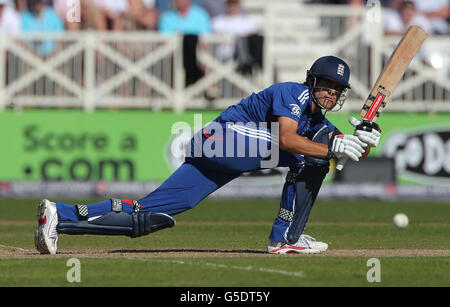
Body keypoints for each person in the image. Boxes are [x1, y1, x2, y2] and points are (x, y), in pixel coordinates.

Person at [35, 55, 382, 255]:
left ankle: (59, 216)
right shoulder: (293, 93)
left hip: (216, 153)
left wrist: (363, 138)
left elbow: (347, 155)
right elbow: (288, 140)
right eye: (325, 84)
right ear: (311, 81)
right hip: (222, 138)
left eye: (336, 89)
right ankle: (285, 238)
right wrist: (331, 147)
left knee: (149, 216)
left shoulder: (319, 121)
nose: (329, 92)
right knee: (316, 154)